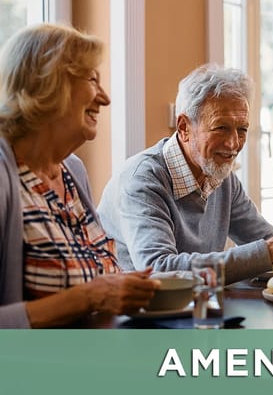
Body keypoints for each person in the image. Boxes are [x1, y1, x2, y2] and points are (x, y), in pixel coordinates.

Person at [97, 63, 273, 284]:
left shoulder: (221, 176)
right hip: (130, 317)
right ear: (184, 128)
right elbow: (159, 269)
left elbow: (263, 239)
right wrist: (267, 252)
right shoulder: (142, 181)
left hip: (195, 308)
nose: (233, 144)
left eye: (242, 130)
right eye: (221, 128)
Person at [0, 24, 161, 328]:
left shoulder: (72, 170)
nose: (105, 98)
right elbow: (89, 296)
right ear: (48, 83)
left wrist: (123, 290)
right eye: (92, 80)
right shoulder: (4, 175)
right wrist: (90, 297)